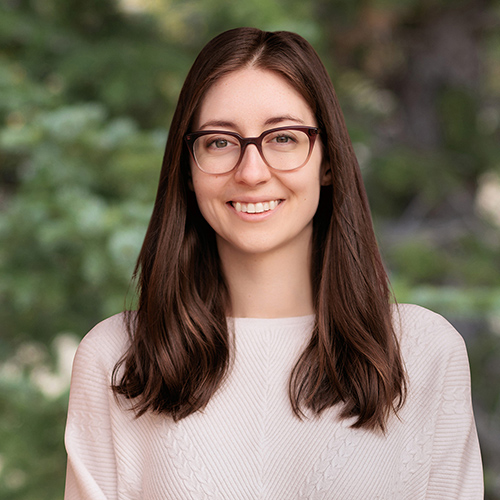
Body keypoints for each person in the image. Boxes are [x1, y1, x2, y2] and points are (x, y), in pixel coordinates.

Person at [64, 27, 483, 499]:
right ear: (187, 166)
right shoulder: (117, 358)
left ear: (328, 160)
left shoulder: (424, 352)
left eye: (283, 138)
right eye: (220, 142)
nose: (252, 171)